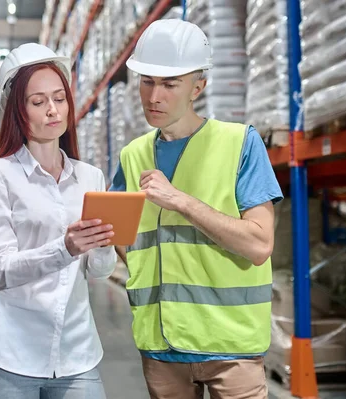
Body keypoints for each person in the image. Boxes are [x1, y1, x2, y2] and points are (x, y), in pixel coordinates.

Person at [110, 19, 283, 399]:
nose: (154, 96)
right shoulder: (131, 155)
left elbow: (259, 245)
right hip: (161, 345)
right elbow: (121, 241)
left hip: (230, 346)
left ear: (198, 88)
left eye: (170, 84)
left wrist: (180, 200)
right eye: (147, 81)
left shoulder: (240, 144)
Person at [0, 43, 117, 399]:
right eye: (38, 102)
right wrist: (65, 248)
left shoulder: (90, 176)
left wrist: (105, 243)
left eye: (59, 99)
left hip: (77, 356)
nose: (53, 110)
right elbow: (1, 269)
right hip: (11, 357)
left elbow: (99, 271)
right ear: (17, 111)